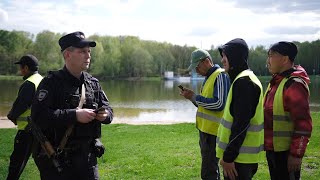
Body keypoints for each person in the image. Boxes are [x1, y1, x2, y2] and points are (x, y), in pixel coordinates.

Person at [31, 31, 113, 180]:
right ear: (67, 55)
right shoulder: (51, 83)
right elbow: (38, 117)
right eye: (82, 51)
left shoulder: (93, 83)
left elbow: (108, 110)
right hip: (59, 161)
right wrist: (74, 115)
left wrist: (105, 115)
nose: (88, 55)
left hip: (88, 161)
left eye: (89, 51)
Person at [216, 38, 264, 180]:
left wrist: (229, 157)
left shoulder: (244, 82)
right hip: (241, 158)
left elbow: (241, 125)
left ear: (234, 57)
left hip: (238, 160)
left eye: (225, 56)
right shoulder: (244, 79)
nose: (223, 60)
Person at [264, 41, 312, 180]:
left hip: (286, 154)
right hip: (273, 151)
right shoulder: (276, 82)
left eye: (271, 56)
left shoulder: (294, 84)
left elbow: (303, 124)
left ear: (284, 59)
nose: (268, 61)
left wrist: (296, 155)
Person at [180, 49, 230, 179]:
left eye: (198, 66)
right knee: (209, 170)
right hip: (206, 132)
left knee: (209, 172)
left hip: (214, 133)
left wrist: (195, 97)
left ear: (207, 61)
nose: (196, 70)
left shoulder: (220, 75)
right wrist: (191, 97)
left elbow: (219, 104)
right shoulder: (209, 77)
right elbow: (205, 106)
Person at [6, 55, 43, 180]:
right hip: (40, 130)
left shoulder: (29, 83)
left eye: (21, 67)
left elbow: (20, 105)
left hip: (26, 131)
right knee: (43, 162)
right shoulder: (41, 80)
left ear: (26, 68)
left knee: (16, 164)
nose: (20, 70)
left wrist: (11, 115)